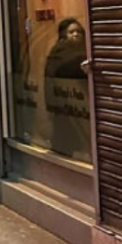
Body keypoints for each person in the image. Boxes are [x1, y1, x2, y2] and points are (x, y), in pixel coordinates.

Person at [44, 17, 89, 158]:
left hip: (82, 104)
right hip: (64, 103)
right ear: (64, 35)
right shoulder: (58, 53)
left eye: (79, 32)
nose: (76, 34)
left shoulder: (86, 50)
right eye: (71, 32)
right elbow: (51, 78)